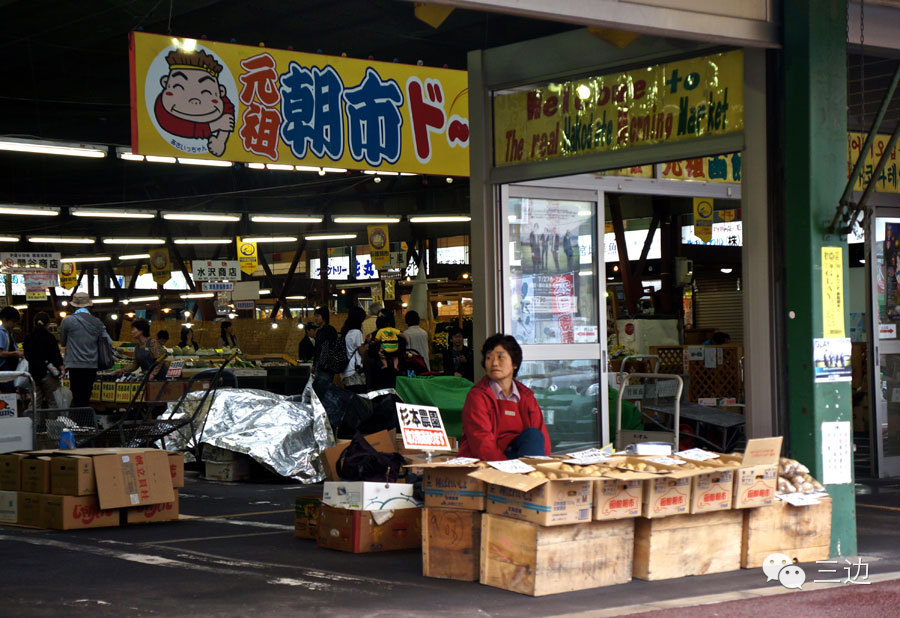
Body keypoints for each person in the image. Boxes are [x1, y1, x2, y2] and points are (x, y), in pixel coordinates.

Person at [458, 334, 552, 461]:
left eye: (500, 357)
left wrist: (545, 468)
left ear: (514, 363)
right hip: (488, 461)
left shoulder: (526, 396)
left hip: (519, 455)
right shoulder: (478, 396)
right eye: (489, 357)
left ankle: (534, 477)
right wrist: (505, 468)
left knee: (534, 435)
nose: (494, 363)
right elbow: (481, 440)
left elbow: (542, 436)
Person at [59, 292, 113, 408]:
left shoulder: (67, 321)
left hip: (74, 365)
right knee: (86, 396)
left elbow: (62, 341)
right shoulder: (97, 322)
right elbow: (109, 342)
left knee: (77, 396)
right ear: (89, 305)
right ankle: (84, 422)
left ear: (74, 306)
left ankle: (78, 422)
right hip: (91, 365)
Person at [23, 312, 65, 408]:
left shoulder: (28, 337)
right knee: (53, 402)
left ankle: (33, 423)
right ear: (47, 324)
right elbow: (56, 355)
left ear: (35, 323)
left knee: (35, 403)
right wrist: (61, 368)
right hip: (49, 374)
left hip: (33, 374)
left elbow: (27, 355)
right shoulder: (50, 337)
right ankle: (52, 423)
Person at [340, 307, 367, 389]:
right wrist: (368, 343)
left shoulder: (346, 332)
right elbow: (361, 351)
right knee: (359, 397)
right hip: (354, 371)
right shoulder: (357, 332)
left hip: (345, 370)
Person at [0, 306, 24, 394]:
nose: (14, 325)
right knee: (9, 395)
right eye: (13, 322)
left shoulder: (9, 333)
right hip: (4, 370)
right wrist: (15, 353)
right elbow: (1, 353)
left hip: (10, 370)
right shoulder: (1, 332)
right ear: (5, 319)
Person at [312, 307, 338, 384]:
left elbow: (332, 348)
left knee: (323, 389)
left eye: (317, 316)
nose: (315, 318)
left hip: (326, 366)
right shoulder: (319, 331)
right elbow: (317, 349)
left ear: (324, 317)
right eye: (315, 316)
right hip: (320, 365)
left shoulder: (329, 330)